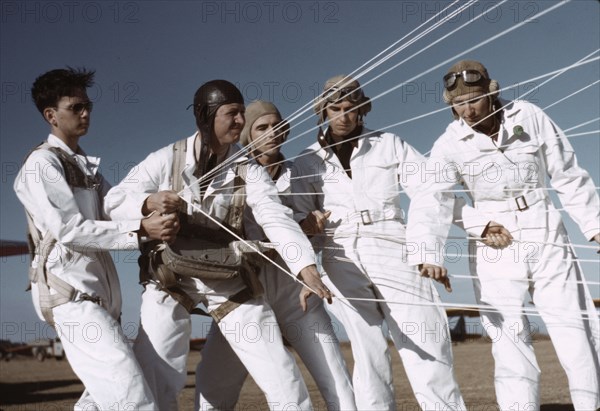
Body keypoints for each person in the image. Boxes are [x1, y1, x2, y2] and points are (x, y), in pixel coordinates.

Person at [104, 80, 333, 410]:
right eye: (232, 113)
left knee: (282, 374)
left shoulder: (249, 169)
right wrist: (147, 202)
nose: (240, 121)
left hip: (226, 280)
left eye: (242, 113)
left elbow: (276, 217)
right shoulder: (166, 158)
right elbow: (114, 201)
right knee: (158, 372)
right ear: (205, 115)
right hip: (169, 280)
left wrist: (306, 267)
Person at [407, 60, 600, 410]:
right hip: (493, 243)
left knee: (576, 329)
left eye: (474, 100)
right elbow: (431, 197)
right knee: (509, 340)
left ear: (491, 92)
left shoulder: (528, 114)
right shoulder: (447, 144)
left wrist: (596, 225)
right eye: (458, 104)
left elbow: (567, 172)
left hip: (545, 227)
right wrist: (434, 248)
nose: (467, 110)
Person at [291, 75, 466, 410]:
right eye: (336, 108)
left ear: (363, 109)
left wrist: (427, 251)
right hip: (338, 254)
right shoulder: (305, 161)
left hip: (393, 244)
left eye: (351, 108)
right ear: (323, 112)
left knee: (425, 338)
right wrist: (306, 264)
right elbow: (295, 222)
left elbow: (430, 191)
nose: (344, 116)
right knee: (367, 351)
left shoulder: (389, 144)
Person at [13, 67, 177, 410]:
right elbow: (69, 230)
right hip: (71, 298)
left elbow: (115, 206)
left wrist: (149, 205)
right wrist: (142, 230)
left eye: (88, 105)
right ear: (51, 115)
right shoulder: (42, 164)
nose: (86, 113)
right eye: (76, 107)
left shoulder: (86, 168)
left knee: (99, 401)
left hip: (101, 302)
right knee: (131, 395)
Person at [195, 100, 356, 410]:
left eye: (277, 126)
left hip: (296, 292)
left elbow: (318, 230)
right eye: (262, 128)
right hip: (243, 293)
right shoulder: (228, 175)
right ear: (247, 135)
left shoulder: (301, 173)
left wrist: (309, 229)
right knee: (214, 386)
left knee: (337, 380)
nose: (273, 134)